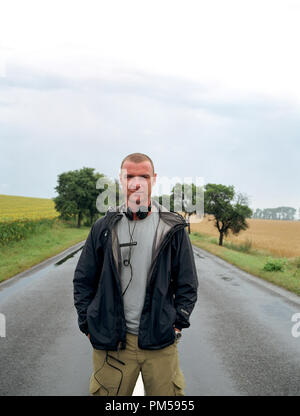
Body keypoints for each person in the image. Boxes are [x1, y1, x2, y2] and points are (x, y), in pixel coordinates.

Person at [73, 152, 198, 396]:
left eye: (144, 176)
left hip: (160, 340)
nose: (136, 182)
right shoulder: (103, 227)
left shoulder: (172, 227)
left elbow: (187, 282)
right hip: (112, 344)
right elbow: (83, 279)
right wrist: (87, 323)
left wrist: (178, 323)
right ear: (121, 180)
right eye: (130, 176)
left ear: (154, 179)